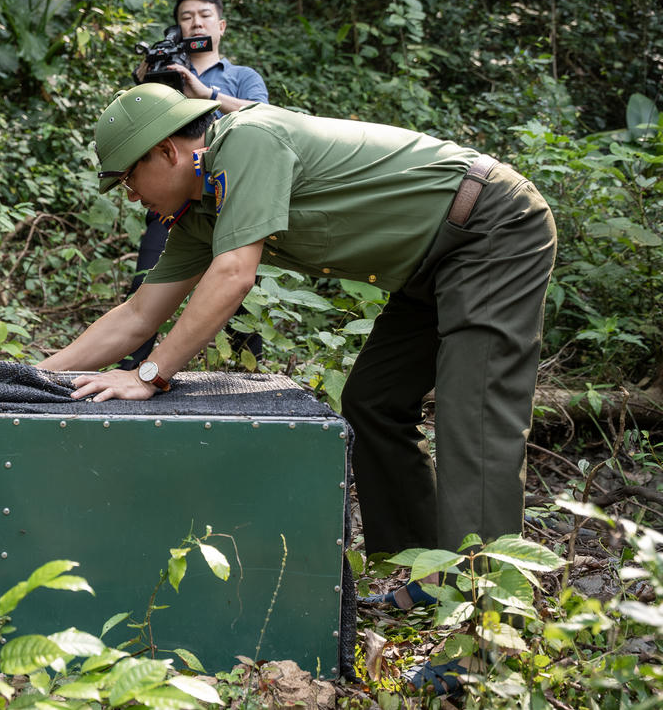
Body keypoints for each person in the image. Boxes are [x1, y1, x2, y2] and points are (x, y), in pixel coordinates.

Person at [38, 83, 556, 691]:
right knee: (374, 403)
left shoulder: (248, 143)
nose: (129, 194)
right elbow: (136, 316)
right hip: (427, 263)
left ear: (167, 154)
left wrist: (151, 375)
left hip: (489, 229)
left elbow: (234, 274)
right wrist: (34, 380)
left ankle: (487, 641)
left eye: (128, 178)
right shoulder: (202, 211)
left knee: (476, 425)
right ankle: (429, 573)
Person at [123, 0, 268, 368]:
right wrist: (144, 86)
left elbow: (269, 121)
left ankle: (246, 377)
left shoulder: (241, 77)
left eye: (204, 15)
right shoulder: (162, 77)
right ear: (177, 27)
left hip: (233, 198)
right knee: (147, 285)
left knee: (241, 296)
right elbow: (139, 137)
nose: (196, 22)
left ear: (220, 25)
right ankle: (129, 369)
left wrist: (208, 94)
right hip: (173, 203)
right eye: (187, 17)